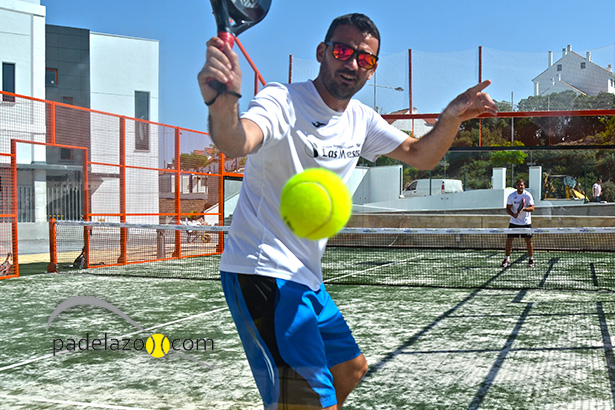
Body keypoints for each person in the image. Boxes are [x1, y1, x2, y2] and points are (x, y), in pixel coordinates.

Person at [197, 13, 497, 410]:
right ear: (322, 52)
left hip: (305, 278)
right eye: (343, 51)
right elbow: (237, 140)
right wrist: (224, 103)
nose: (352, 63)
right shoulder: (282, 100)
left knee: (350, 370)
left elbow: (419, 155)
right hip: (262, 272)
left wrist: (452, 116)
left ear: (372, 69)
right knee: (313, 401)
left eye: (366, 59)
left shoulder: (360, 119)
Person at [501, 179, 535, 268]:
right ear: (516, 186)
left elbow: (532, 208)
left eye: (522, 185)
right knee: (509, 240)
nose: (520, 187)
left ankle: (531, 259)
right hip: (514, 222)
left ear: (524, 186)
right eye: (519, 185)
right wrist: (513, 214)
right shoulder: (511, 196)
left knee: (528, 241)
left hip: (526, 223)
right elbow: (508, 208)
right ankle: (507, 258)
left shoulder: (528, 195)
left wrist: (523, 209)